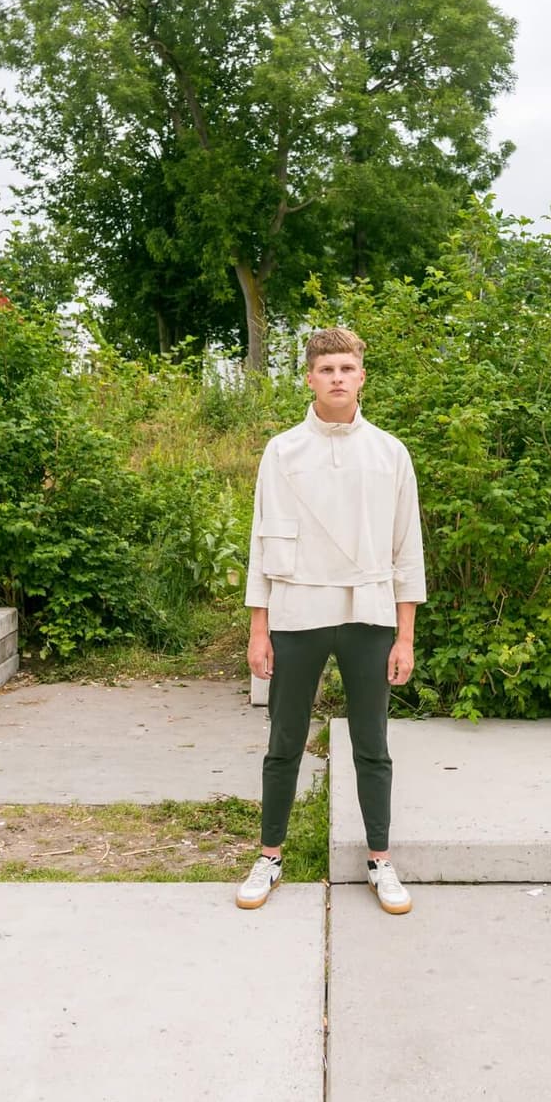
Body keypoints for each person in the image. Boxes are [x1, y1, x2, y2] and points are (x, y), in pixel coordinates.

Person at [235, 327, 425, 916]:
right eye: (326, 369)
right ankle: (269, 855)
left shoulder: (390, 452)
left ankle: (379, 860)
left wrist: (405, 635)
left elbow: (406, 548)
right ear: (310, 377)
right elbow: (261, 542)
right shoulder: (282, 450)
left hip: (368, 613)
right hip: (296, 611)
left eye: (346, 368)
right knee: (283, 740)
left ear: (362, 375)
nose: (337, 377)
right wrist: (258, 627)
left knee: (373, 743)